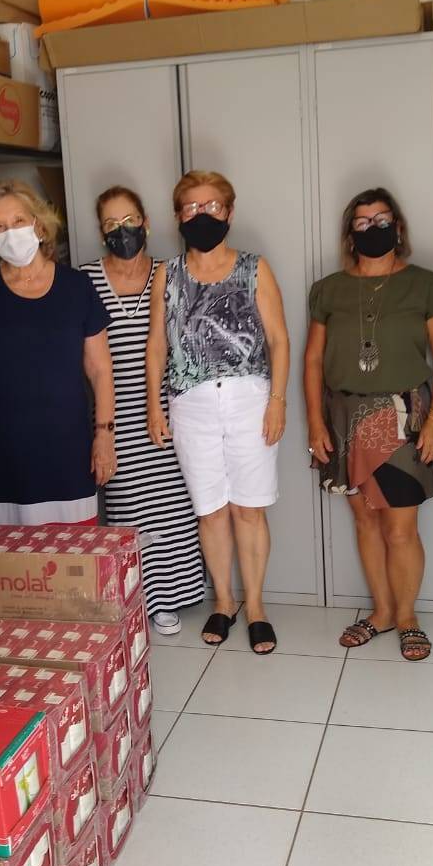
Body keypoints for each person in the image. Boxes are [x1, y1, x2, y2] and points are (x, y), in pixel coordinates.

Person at [305, 189, 433, 660]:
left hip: (405, 416)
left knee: (400, 528)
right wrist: (315, 423)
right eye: (363, 222)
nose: (373, 228)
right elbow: (313, 361)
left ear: (398, 226)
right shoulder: (328, 290)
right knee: (365, 521)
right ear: (350, 234)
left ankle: (408, 617)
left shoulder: (426, 285)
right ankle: (383, 611)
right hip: (343, 417)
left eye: (382, 219)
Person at [147, 170, 290, 654]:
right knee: (210, 511)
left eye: (211, 205)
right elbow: (156, 346)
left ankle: (256, 607)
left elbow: (279, 339)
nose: (201, 214)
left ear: (228, 211)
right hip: (191, 403)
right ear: (178, 216)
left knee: (249, 509)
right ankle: (224, 602)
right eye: (191, 207)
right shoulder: (167, 273)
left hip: (250, 400)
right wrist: (154, 407)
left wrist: (278, 402)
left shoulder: (253, 267)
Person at [81, 186, 204, 635]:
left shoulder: (170, 274)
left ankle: (174, 596)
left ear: (146, 222)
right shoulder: (85, 280)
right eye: (111, 224)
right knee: (128, 507)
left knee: (175, 504)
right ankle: (139, 598)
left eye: (130, 220)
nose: (123, 230)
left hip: (167, 408)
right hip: (113, 413)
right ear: (101, 232)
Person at [0, 180, 117, 525]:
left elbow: (100, 370)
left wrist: (105, 435)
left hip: (68, 450)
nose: (10, 233)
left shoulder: (76, 287)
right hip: (1, 452)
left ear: (40, 225)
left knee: (73, 552)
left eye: (18, 221)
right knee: (7, 556)